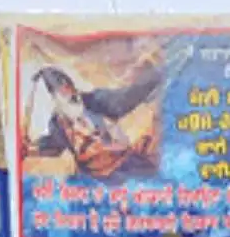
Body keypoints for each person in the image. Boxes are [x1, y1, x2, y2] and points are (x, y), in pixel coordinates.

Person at [22, 60, 163, 182]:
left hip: (124, 166)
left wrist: (154, 78)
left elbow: (126, 98)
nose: (68, 92)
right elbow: (50, 147)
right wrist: (29, 150)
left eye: (68, 87)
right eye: (61, 91)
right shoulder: (58, 125)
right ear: (54, 97)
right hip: (93, 180)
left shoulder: (96, 101)